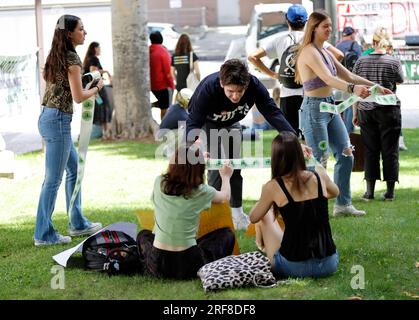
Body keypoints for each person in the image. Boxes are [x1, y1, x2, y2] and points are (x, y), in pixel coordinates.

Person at [186, 59, 311, 230]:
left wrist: (295, 141)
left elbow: (273, 112)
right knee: (217, 168)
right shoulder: (208, 88)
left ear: (246, 85)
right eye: (231, 91)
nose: (236, 96)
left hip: (233, 124)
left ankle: (237, 213)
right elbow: (193, 122)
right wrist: (196, 146)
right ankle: (217, 215)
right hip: (210, 123)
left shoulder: (254, 85)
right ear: (222, 83)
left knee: (235, 166)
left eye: (240, 91)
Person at [295, 11, 392, 217]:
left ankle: (343, 205)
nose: (329, 29)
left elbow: (348, 75)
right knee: (318, 159)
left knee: (346, 154)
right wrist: (352, 89)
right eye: (325, 26)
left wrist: (375, 87)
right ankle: (312, 208)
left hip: (330, 107)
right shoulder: (309, 52)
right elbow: (329, 79)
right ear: (313, 28)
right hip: (314, 110)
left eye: (330, 25)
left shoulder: (324, 51)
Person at [34, 15, 103, 246]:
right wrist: (96, 88)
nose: (85, 32)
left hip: (48, 117)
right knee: (53, 180)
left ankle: (77, 222)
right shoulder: (72, 58)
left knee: (74, 169)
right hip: (58, 121)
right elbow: (78, 96)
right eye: (81, 29)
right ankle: (43, 233)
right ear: (69, 34)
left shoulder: (56, 55)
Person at [249, 132, 340, 278]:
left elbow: (253, 217)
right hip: (329, 264)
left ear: (275, 158)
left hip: (293, 267)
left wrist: (264, 197)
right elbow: (335, 192)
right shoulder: (319, 175)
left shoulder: (272, 187)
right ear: (300, 154)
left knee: (265, 215)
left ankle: (261, 246)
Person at [137, 146, 235, 280]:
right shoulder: (202, 191)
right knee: (226, 235)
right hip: (189, 265)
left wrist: (193, 163)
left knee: (143, 235)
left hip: (158, 265)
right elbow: (224, 196)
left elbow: (179, 171)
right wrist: (226, 176)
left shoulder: (158, 182)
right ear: (199, 169)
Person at [248, 4, 343, 139]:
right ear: (306, 22)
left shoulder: (279, 39)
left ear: (287, 20)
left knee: (290, 138)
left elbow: (252, 57)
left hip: (287, 94)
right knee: (310, 137)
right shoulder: (311, 39)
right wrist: (322, 73)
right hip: (309, 94)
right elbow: (339, 55)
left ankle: (294, 160)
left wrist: (273, 74)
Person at [352, 27, 404, 201]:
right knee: (390, 150)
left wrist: (355, 111)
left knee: (370, 150)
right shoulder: (394, 62)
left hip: (366, 110)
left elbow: (356, 90)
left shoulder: (360, 62)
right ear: (387, 42)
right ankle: (390, 192)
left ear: (373, 42)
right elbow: (399, 80)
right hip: (389, 111)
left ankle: (369, 191)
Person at [82, 41, 112, 138]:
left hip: (92, 89)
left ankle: (105, 133)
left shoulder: (89, 59)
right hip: (97, 88)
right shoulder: (94, 59)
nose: (100, 50)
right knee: (105, 107)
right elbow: (93, 71)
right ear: (95, 48)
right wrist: (106, 72)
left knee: (101, 108)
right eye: (99, 48)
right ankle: (105, 133)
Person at [336, 26, 363, 133]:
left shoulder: (337, 46)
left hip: (341, 79)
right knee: (351, 105)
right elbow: (360, 61)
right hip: (353, 78)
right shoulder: (355, 44)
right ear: (351, 34)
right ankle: (348, 132)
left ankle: (344, 131)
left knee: (345, 104)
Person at [149, 31, 175, 121]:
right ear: (161, 39)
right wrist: (172, 85)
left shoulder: (147, 51)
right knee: (165, 108)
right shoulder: (163, 51)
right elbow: (168, 71)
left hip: (151, 85)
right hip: (162, 85)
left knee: (162, 104)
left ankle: (151, 105)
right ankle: (163, 127)